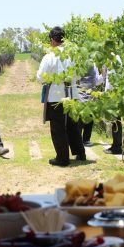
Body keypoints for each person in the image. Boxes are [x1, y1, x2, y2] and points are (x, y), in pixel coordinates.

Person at [36, 26, 86, 167]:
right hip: (72, 94)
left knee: (58, 128)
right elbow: (80, 75)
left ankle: (62, 158)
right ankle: (80, 153)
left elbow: (40, 77)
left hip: (56, 97)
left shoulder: (49, 57)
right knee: (73, 126)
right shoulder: (73, 55)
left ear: (52, 40)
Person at [78, 65, 104, 147]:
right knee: (83, 117)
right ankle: (84, 140)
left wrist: (103, 74)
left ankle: (83, 140)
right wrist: (103, 75)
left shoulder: (91, 64)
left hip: (88, 94)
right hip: (82, 93)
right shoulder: (90, 64)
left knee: (86, 117)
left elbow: (96, 80)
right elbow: (97, 81)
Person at [102, 65, 123, 155]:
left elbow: (112, 81)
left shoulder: (113, 59)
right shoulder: (111, 59)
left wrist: (108, 96)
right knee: (115, 122)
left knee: (116, 121)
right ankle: (115, 145)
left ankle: (117, 147)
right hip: (113, 95)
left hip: (113, 95)